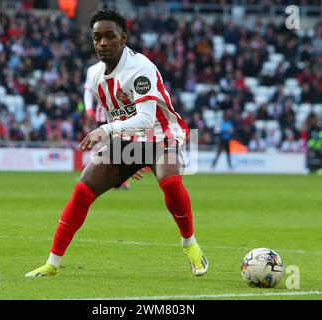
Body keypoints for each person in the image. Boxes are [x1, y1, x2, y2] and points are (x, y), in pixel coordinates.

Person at [26, 9, 208, 277]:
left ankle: (189, 243)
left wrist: (106, 131)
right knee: (82, 190)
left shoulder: (140, 69)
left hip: (161, 132)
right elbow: (119, 115)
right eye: (96, 37)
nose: (102, 43)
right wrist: (129, 155)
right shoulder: (95, 76)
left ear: (123, 37)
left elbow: (146, 119)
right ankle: (52, 264)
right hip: (128, 138)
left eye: (109, 36)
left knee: (170, 182)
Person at [84, 63, 131, 190]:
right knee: (103, 145)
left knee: (119, 145)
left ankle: (119, 178)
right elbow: (88, 90)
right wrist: (88, 109)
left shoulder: (124, 66)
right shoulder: (93, 69)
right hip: (103, 113)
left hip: (120, 113)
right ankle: (99, 176)